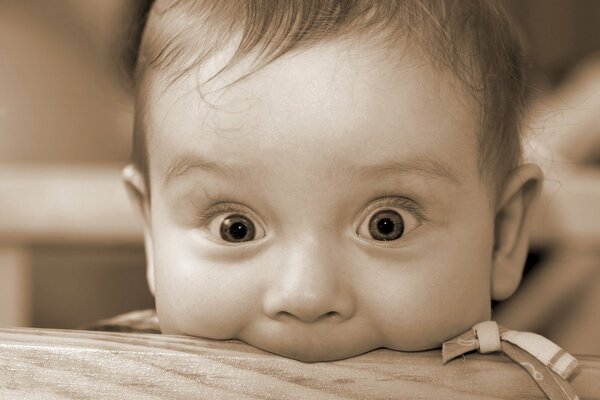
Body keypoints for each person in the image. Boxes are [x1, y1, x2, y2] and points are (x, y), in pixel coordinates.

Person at [96, 3, 579, 394]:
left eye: (386, 224)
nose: (306, 296)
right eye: (234, 228)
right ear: (151, 233)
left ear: (503, 235)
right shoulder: (90, 382)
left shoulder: (543, 387)